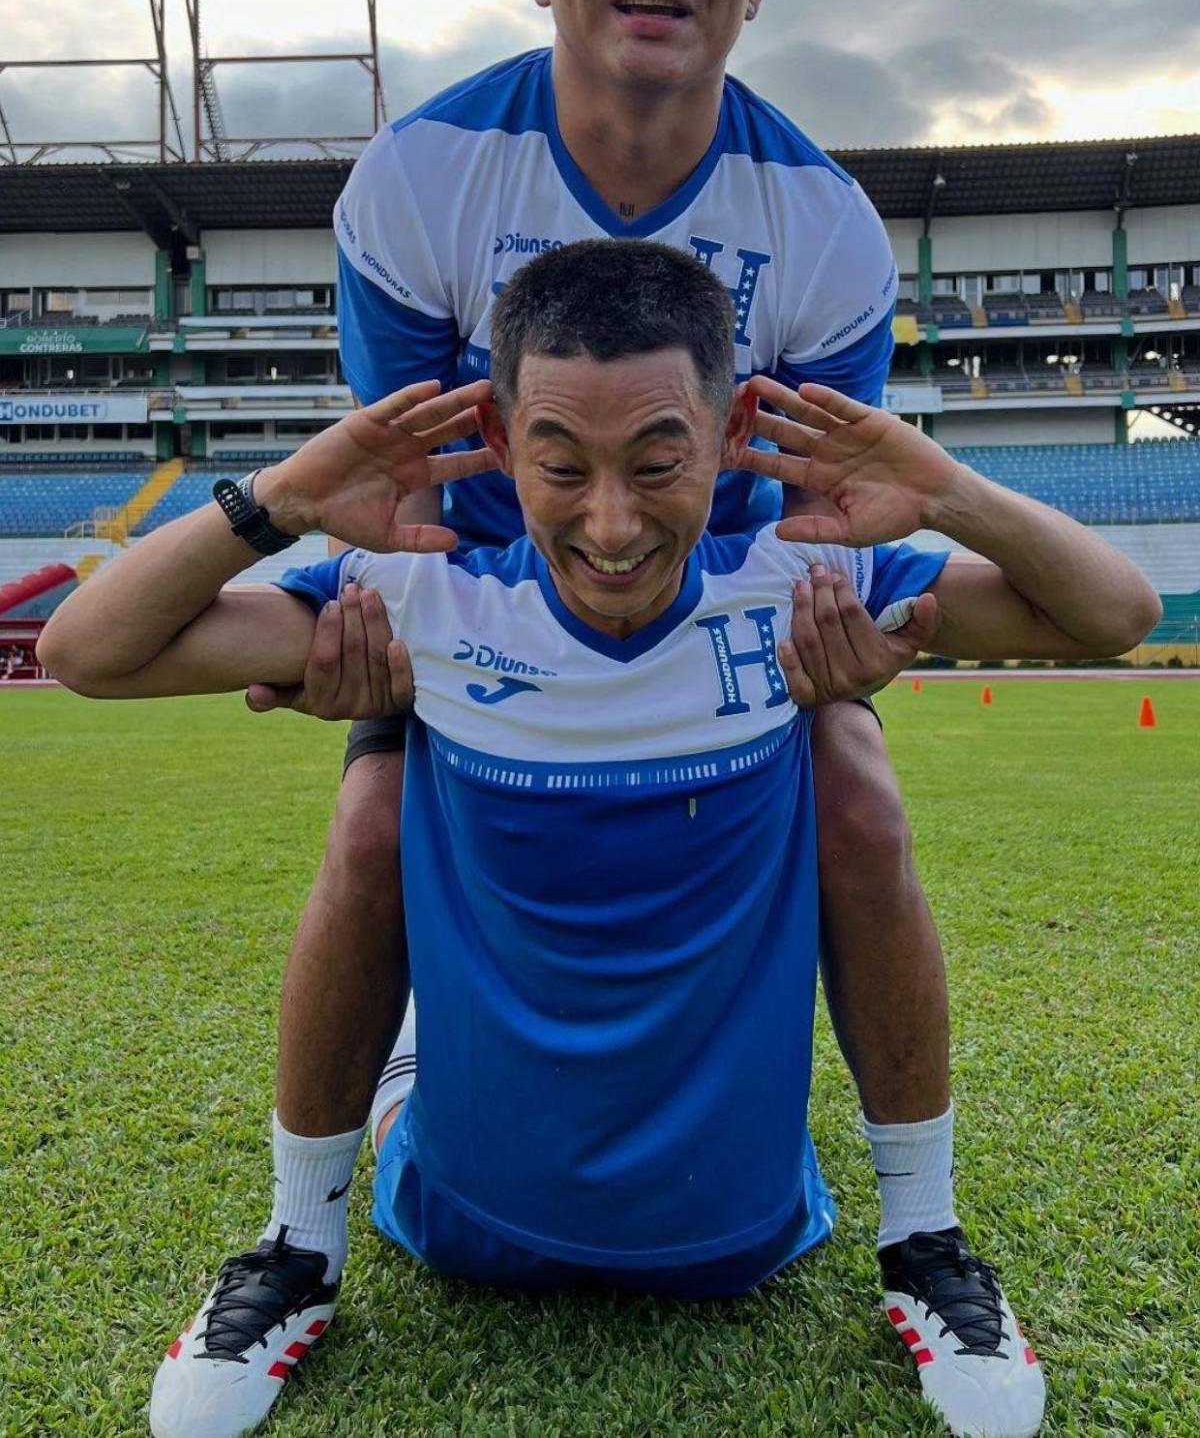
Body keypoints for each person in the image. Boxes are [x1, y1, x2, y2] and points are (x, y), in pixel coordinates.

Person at [146, 0, 1058, 1438]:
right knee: (367, 830)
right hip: (477, 601)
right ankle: (294, 1243)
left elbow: (805, 505)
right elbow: (409, 486)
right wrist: (411, 652)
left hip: (708, 590)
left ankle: (925, 1233)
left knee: (856, 782)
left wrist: (809, 644)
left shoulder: (828, 225)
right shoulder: (418, 179)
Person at [40, 242, 1158, 1438]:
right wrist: (277, 502)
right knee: (377, 796)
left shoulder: (795, 588)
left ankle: (924, 1236)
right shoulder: (436, 602)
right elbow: (83, 653)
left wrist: (948, 490)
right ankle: (297, 1246)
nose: (612, 521)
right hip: (458, 1216)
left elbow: (1117, 614)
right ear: (502, 437)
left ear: (731, 435)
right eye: (560, 465)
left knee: (851, 757)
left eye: (659, 462)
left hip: (740, 1226)